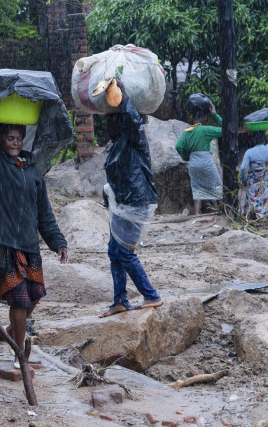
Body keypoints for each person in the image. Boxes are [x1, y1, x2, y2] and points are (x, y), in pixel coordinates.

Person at [0, 71, 68, 368]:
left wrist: (58, 241)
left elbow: (44, 214)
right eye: (9, 138)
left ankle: (13, 333)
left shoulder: (32, 171)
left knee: (34, 295)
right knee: (19, 300)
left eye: (18, 138)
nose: (14, 142)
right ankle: (20, 356)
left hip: (26, 241)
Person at [99, 79, 163, 318]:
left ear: (120, 122)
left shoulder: (134, 140)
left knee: (124, 252)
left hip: (136, 203)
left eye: (109, 120)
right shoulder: (116, 146)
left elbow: (134, 121)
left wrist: (122, 97)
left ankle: (151, 295)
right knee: (114, 252)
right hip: (123, 206)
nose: (106, 124)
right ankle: (120, 300)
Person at [175, 94, 223, 214]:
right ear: (202, 117)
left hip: (194, 163)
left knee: (197, 188)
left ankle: (197, 214)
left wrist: (185, 156)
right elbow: (225, 129)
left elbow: (178, 146)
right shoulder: (205, 130)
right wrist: (215, 114)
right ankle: (224, 210)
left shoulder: (187, 132)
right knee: (218, 185)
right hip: (206, 162)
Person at [240, 121, 268, 218]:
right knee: (265, 202)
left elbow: (242, 168)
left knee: (252, 202)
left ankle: (251, 217)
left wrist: (244, 180)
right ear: (264, 139)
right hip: (265, 186)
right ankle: (264, 218)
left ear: (253, 140)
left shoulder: (249, 152)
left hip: (252, 185)